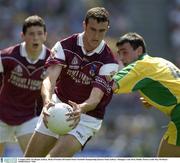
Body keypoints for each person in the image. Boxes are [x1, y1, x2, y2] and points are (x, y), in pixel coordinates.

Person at [24, 7, 119, 157]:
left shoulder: (109, 62)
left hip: (87, 117)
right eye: (92, 29)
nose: (96, 36)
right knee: (30, 159)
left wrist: (80, 108)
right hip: (57, 106)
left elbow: (95, 99)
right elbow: (49, 79)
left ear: (107, 29)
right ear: (84, 25)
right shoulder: (64, 46)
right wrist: (47, 100)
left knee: (53, 159)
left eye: (102, 31)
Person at [112, 32, 180, 157]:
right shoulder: (160, 61)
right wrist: (152, 99)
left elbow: (110, 86)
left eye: (125, 52)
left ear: (138, 51)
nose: (121, 58)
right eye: (119, 53)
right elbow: (173, 85)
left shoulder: (139, 66)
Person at [0, 15, 51, 156]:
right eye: (31, 34)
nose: (36, 38)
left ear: (45, 36)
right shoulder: (7, 57)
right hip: (2, 116)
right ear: (23, 36)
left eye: (40, 33)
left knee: (35, 158)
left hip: (28, 119)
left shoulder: (52, 62)